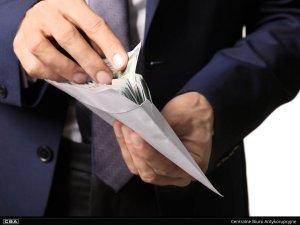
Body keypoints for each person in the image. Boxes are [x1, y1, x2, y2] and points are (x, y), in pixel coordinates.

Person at [0, 0, 300, 217]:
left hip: (187, 173)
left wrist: (214, 99)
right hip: (19, 169)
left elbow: (289, 17)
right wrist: (14, 23)